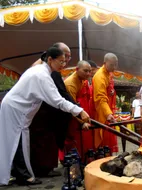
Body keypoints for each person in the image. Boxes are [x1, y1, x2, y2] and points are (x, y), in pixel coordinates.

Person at [0, 47, 89, 186]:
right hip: (15, 109)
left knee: (18, 142)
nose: (63, 65)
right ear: (50, 59)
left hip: (16, 109)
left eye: (64, 62)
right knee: (17, 142)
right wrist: (79, 111)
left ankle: (20, 174)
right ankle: (24, 176)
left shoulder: (41, 71)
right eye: (61, 61)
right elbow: (57, 100)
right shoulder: (42, 75)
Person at [30, 42, 76, 176]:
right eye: (63, 58)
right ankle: (43, 169)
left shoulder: (45, 66)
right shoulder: (44, 69)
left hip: (43, 112)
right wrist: (76, 109)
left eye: (68, 58)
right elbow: (59, 95)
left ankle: (43, 168)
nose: (65, 62)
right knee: (44, 142)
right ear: (52, 58)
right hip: (42, 113)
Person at [63, 60, 93, 163]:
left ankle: (83, 160)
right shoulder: (71, 84)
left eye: (90, 71)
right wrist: (82, 122)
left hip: (82, 115)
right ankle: (72, 165)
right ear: (77, 69)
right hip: (72, 117)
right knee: (73, 141)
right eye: (85, 71)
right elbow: (70, 107)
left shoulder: (83, 80)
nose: (88, 74)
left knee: (83, 141)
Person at [92, 53, 118, 152]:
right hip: (102, 112)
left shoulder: (108, 73)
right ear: (104, 63)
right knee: (103, 138)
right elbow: (100, 98)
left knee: (109, 137)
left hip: (108, 110)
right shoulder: (100, 76)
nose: (114, 67)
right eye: (112, 65)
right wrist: (108, 113)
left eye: (116, 64)